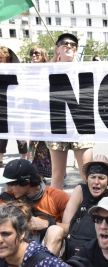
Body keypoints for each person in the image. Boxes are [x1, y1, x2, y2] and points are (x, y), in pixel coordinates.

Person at [46, 33, 93, 189]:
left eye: (73, 44)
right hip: (57, 124)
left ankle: (90, 209)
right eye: (64, 43)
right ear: (57, 48)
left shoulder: (85, 68)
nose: (69, 46)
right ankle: (55, 210)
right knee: (57, 173)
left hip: (80, 124)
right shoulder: (46, 69)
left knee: (87, 173)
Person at [61, 155, 108, 259]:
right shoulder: (80, 190)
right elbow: (66, 225)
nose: (96, 182)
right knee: (53, 230)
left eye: (101, 178)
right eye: (93, 177)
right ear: (87, 179)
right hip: (74, 247)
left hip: (101, 250)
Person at [0, 159, 69, 254]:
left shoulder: (58, 197)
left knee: (55, 230)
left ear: (26, 182)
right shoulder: (7, 198)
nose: (8, 188)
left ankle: (45, 266)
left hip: (48, 246)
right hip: (16, 247)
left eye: (11, 184)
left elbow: (73, 230)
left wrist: (47, 224)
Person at [27, 46, 52, 181]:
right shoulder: (28, 70)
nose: (34, 55)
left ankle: (56, 174)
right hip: (34, 110)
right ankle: (39, 175)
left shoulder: (49, 67)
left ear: (43, 55)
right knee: (35, 143)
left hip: (47, 110)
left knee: (51, 143)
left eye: (37, 53)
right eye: (32, 53)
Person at [0, 46, 28, 167]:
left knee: (20, 133)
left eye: (1, 58)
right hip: (2, 106)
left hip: (16, 106)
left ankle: (23, 158)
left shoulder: (16, 70)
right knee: (1, 134)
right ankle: (0, 159)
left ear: (8, 58)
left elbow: (22, 85)